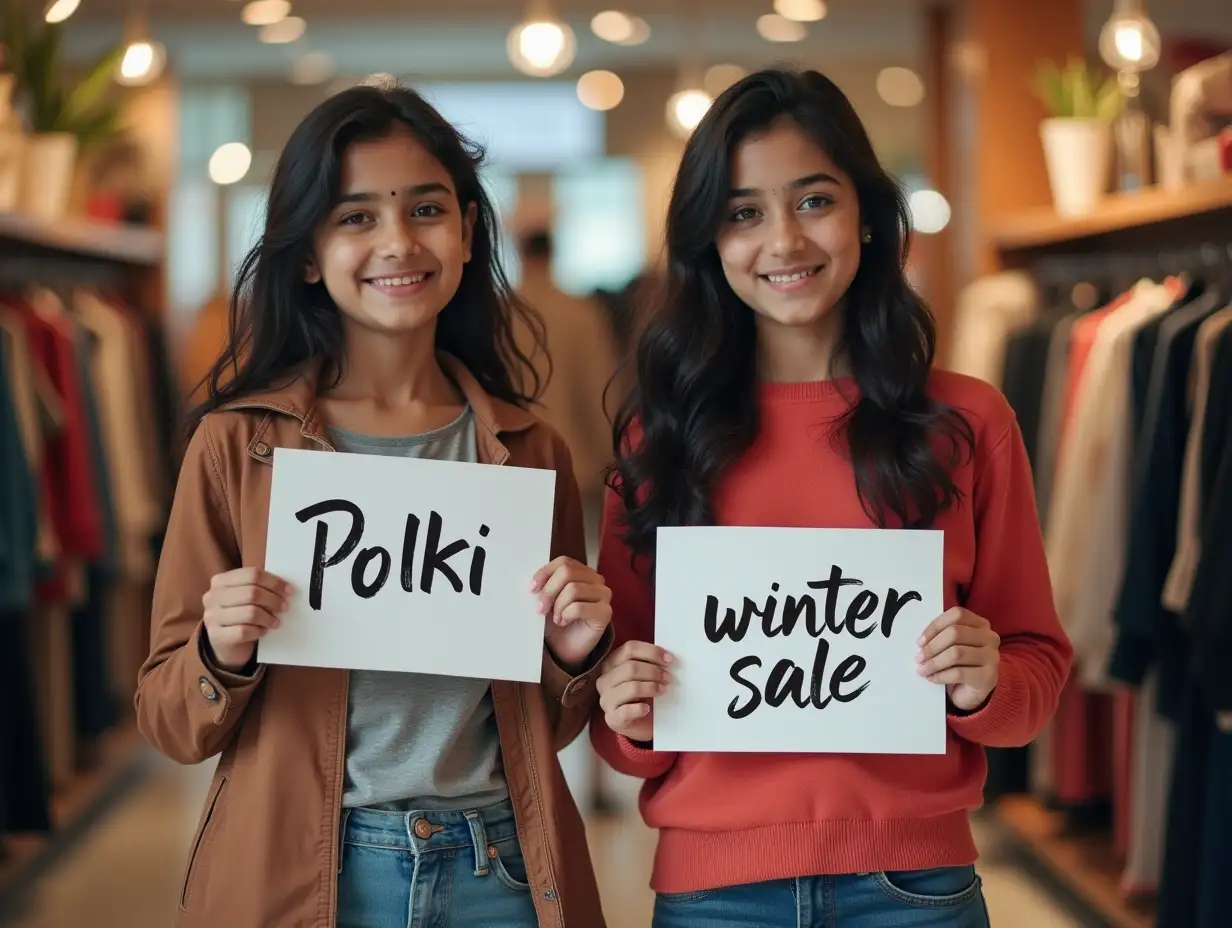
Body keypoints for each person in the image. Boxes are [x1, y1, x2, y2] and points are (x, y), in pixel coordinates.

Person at [590, 67, 1073, 928]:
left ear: (868, 216)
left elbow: (1037, 667)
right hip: (712, 895)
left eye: (814, 200)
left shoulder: (966, 421)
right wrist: (625, 710)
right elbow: (619, 711)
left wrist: (983, 681)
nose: (783, 241)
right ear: (709, 240)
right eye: (743, 213)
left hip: (915, 890)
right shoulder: (659, 438)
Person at [135, 84, 613, 928]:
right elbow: (172, 722)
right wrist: (221, 649)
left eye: (426, 209)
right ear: (309, 252)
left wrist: (574, 657)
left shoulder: (529, 451)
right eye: (356, 217)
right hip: (306, 871)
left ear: (467, 230)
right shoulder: (238, 446)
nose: (398, 242)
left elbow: (543, 727)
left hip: (498, 871)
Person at [515, 227, 626, 557]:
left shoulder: (500, 313)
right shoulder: (580, 312)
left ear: (520, 253)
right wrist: (613, 454)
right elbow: (600, 390)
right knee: (580, 560)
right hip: (577, 459)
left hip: (514, 460)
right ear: (553, 252)